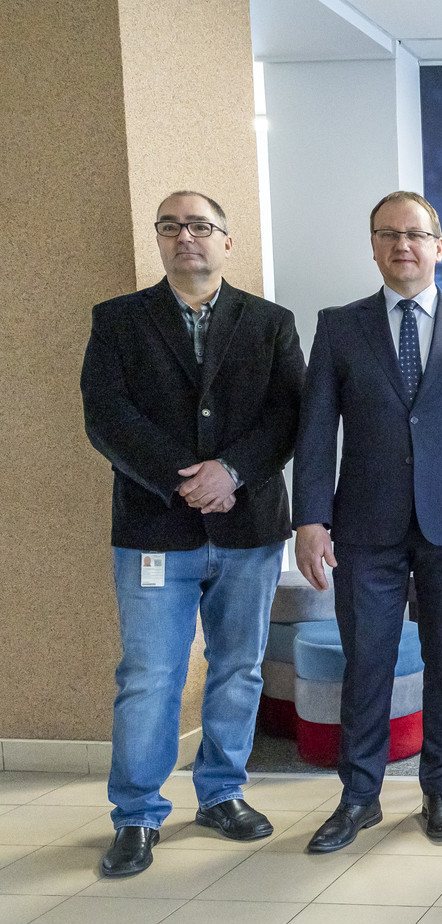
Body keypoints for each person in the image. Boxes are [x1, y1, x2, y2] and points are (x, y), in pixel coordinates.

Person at [294, 191, 442, 853]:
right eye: (389, 235)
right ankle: (359, 796)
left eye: (416, 235)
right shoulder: (339, 327)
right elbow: (317, 432)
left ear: (438, 246)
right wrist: (310, 518)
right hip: (365, 524)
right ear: (373, 247)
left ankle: (440, 788)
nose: (403, 245)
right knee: (368, 660)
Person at [81, 191, 304, 877]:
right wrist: (184, 480)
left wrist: (231, 471)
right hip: (154, 528)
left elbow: (289, 415)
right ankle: (137, 814)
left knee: (239, 666)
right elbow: (107, 416)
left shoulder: (269, 323)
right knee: (150, 675)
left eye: (201, 226)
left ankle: (222, 794)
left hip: (249, 528)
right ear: (159, 239)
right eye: (172, 226)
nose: (187, 237)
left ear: (226, 241)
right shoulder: (118, 320)